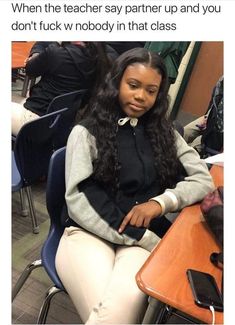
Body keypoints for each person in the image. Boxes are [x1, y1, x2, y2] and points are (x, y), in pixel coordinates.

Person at [55, 48, 215, 324]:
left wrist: (160, 203)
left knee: (118, 312)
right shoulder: (86, 132)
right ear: (116, 82)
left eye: (151, 91)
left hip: (136, 242)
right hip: (88, 234)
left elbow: (203, 179)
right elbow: (80, 199)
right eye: (133, 85)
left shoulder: (164, 131)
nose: (141, 97)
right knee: (117, 316)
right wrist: (142, 237)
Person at [11, 42, 112, 135]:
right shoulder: (98, 60)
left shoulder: (56, 53)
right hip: (61, 125)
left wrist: (35, 55)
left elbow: (30, 70)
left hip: (34, 121)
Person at [183, 76, 223, 158]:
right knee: (184, 132)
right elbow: (214, 101)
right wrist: (206, 117)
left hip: (218, 131)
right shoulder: (223, 79)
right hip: (211, 117)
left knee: (192, 149)